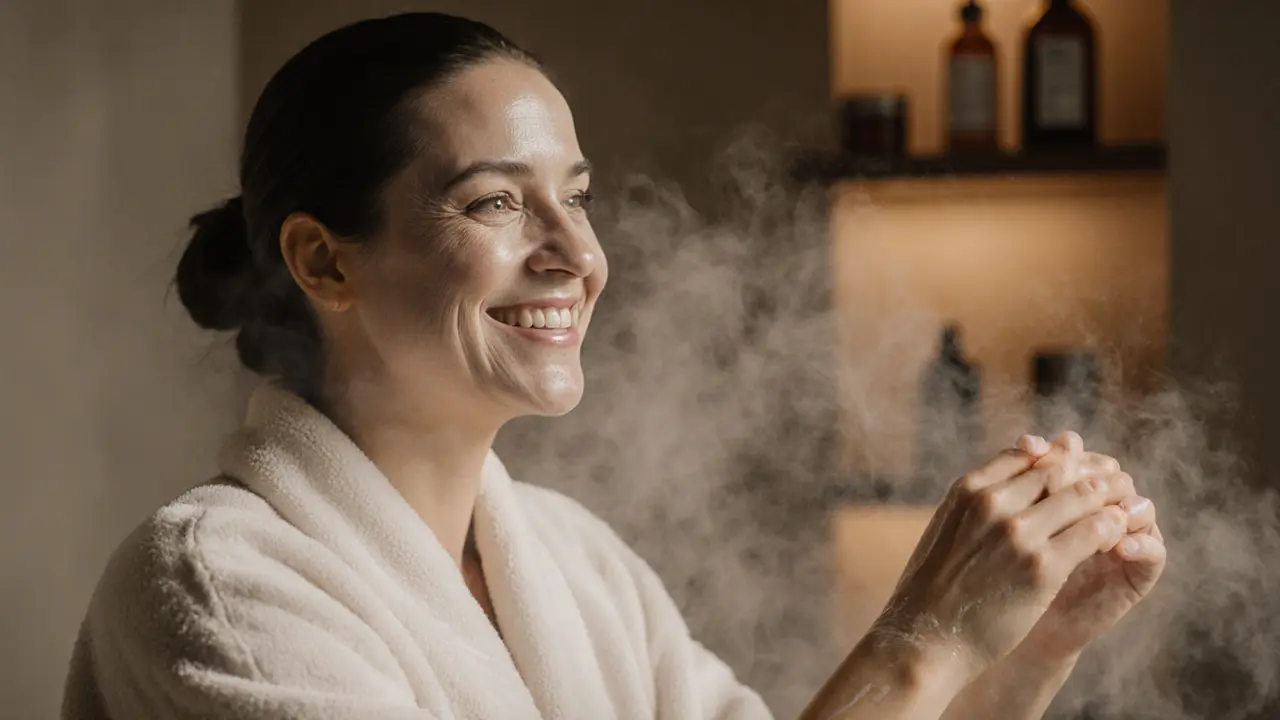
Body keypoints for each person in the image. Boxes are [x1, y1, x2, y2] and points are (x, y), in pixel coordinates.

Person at [60, 12, 1166, 720]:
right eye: (495, 202)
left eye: (576, 197)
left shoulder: (575, 563)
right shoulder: (215, 588)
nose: (577, 255)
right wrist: (921, 637)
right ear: (322, 260)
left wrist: (1019, 655)